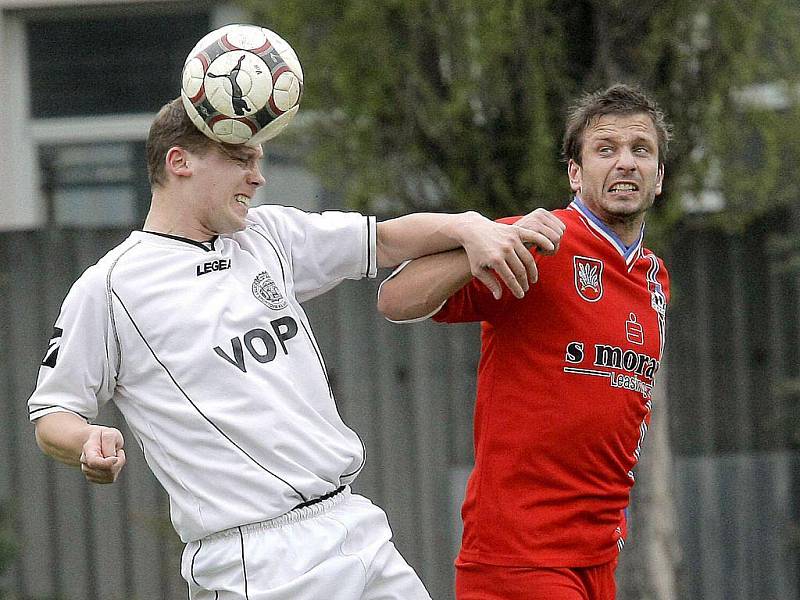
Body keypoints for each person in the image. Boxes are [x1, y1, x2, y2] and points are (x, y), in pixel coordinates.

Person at [27, 97, 562, 600]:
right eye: (240, 159)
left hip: (353, 527)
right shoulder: (111, 286)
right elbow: (53, 412)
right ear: (179, 161)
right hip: (253, 560)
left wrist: (473, 227)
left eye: (259, 159)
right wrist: (85, 442)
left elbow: (386, 240)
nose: (257, 176)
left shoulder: (266, 236)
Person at [377, 83, 672, 600]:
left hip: (598, 559)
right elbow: (395, 299)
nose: (624, 163)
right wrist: (482, 242)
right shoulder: (538, 242)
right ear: (575, 174)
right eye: (605, 150)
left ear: (659, 177)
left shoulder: (654, 279)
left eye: (639, 150)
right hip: (521, 557)